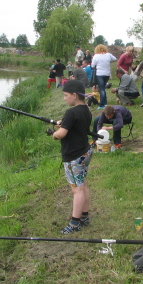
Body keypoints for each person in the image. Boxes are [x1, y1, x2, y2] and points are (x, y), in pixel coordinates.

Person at [50, 80, 93, 235]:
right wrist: (64, 124)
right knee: (82, 185)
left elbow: (61, 134)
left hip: (74, 156)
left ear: (74, 95)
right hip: (84, 152)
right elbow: (75, 125)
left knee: (77, 189)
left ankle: (75, 222)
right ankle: (84, 217)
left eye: (65, 95)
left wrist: (54, 134)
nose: (64, 98)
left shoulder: (71, 112)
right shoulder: (86, 109)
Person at [91, 44, 117, 109]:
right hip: (107, 74)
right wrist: (108, 62)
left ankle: (102, 104)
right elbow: (115, 59)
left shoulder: (96, 56)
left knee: (101, 89)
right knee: (103, 88)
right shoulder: (108, 55)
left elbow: (92, 66)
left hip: (99, 74)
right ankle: (105, 102)